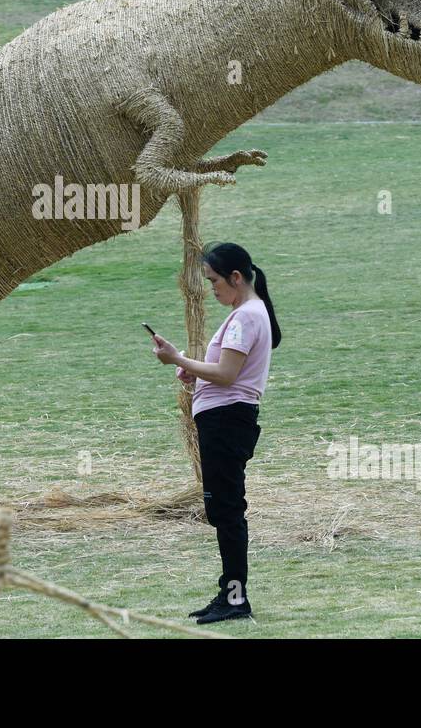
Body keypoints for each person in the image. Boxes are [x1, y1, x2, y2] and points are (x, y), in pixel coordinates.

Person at [150, 242, 281, 624]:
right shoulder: (250, 314)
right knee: (223, 509)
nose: (212, 289)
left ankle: (236, 599)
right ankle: (230, 592)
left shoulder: (245, 317)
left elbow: (226, 375)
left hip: (226, 422)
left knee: (226, 511)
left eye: (213, 281)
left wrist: (176, 358)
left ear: (235, 278)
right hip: (226, 419)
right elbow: (225, 370)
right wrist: (191, 368)